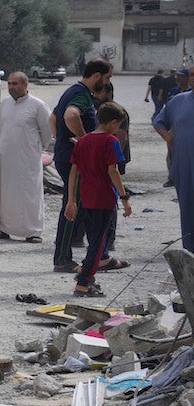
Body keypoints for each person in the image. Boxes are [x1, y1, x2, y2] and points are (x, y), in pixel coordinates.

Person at [52, 59, 113, 273]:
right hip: (73, 161)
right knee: (72, 207)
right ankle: (62, 258)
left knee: (85, 207)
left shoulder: (76, 92)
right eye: (106, 78)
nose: (106, 83)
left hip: (67, 155)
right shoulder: (81, 94)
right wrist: (86, 141)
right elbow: (70, 115)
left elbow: (53, 118)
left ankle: (100, 256)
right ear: (96, 76)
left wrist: (61, 140)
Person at [65, 102, 131, 299]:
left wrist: (71, 200)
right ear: (113, 123)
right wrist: (124, 197)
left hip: (86, 196)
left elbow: (73, 171)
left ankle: (88, 276)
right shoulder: (111, 141)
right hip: (104, 197)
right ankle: (84, 282)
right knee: (98, 242)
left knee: (93, 239)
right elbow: (113, 170)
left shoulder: (83, 141)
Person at [0, 72, 52, 244]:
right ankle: (1, 228)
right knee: (2, 192)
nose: (11, 87)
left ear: (26, 85)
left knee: (28, 194)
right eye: (9, 84)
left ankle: (32, 231)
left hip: (27, 159)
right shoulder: (4, 105)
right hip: (4, 158)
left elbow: (47, 133)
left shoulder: (38, 106)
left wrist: (36, 149)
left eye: (15, 84)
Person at [155, 82, 194, 251]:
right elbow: (159, 122)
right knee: (187, 209)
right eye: (192, 75)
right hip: (184, 165)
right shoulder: (178, 101)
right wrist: (169, 139)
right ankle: (190, 251)